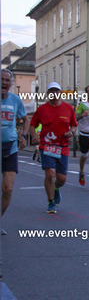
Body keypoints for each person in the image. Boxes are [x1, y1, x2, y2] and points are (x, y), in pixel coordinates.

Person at [30, 82, 77, 214]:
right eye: (51, 91)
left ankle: (56, 189)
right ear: (48, 94)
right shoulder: (42, 109)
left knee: (61, 179)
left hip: (62, 146)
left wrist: (71, 132)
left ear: (60, 93)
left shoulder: (68, 108)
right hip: (47, 145)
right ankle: (51, 202)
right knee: (50, 174)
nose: (54, 94)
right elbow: (32, 124)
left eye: (57, 91)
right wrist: (34, 136)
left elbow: (74, 125)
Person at [1, 69, 30, 232]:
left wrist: (23, 136)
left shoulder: (15, 100)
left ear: (11, 83)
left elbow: (26, 120)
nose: (4, 83)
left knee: (8, 189)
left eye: (7, 80)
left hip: (10, 148)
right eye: (1, 79)